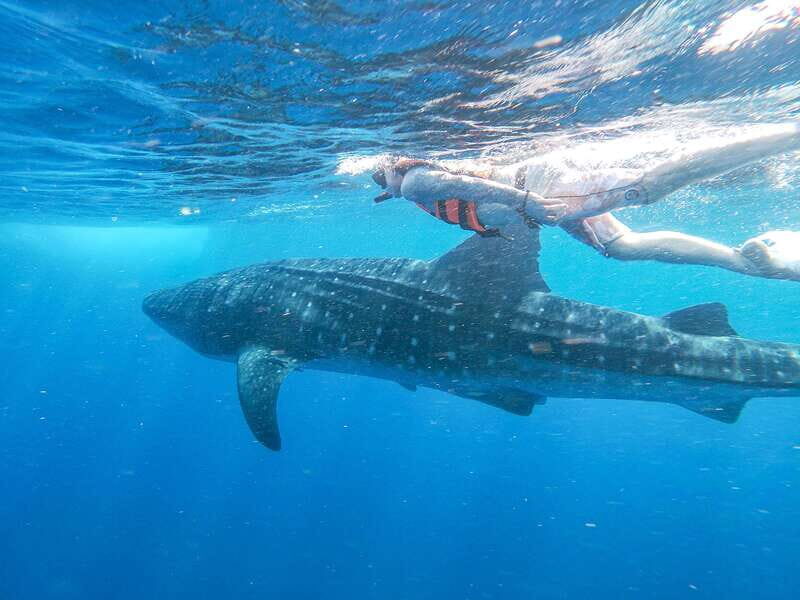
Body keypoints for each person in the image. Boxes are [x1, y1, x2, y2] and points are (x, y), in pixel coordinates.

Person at [371, 122, 800, 281]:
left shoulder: (413, 183)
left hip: (544, 193)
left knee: (649, 187)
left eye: (379, 175)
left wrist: (528, 201)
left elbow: (473, 188)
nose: (382, 184)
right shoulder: (404, 184)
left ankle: (784, 136)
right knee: (622, 248)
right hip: (544, 201)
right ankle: (745, 261)